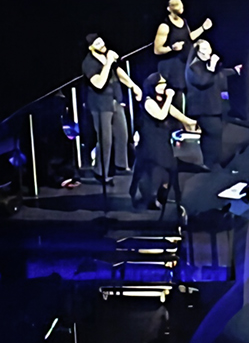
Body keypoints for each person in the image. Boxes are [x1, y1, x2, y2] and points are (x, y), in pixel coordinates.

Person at [131, 73, 197, 212]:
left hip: (162, 138)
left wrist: (188, 121)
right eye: (161, 84)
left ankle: (163, 195)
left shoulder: (162, 99)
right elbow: (161, 115)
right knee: (157, 168)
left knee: (170, 168)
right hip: (151, 140)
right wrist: (170, 98)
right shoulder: (148, 100)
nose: (165, 86)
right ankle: (151, 197)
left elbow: (172, 111)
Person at [80, 35, 141, 184]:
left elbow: (119, 73)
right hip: (100, 104)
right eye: (97, 43)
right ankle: (101, 172)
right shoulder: (88, 63)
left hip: (115, 100)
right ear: (91, 47)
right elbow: (99, 83)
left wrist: (133, 86)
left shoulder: (107, 58)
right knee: (105, 140)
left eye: (102, 41)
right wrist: (108, 62)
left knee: (122, 133)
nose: (102, 44)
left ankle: (121, 165)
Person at [181, 38, 230, 171]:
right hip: (203, 109)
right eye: (205, 49)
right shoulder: (194, 67)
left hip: (212, 107)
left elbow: (218, 75)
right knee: (213, 133)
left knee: (213, 135)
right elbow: (203, 81)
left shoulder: (205, 65)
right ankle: (212, 163)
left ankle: (212, 163)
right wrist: (211, 67)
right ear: (198, 52)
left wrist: (234, 71)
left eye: (209, 48)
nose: (209, 52)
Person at [151, 0, 210, 96]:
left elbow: (189, 37)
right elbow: (157, 50)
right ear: (170, 9)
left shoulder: (184, 21)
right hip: (172, 67)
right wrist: (171, 48)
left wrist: (203, 28)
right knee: (178, 93)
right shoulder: (165, 26)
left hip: (184, 64)